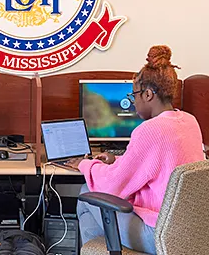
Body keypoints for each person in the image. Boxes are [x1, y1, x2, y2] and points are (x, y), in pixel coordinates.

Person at [66, 45, 204, 254]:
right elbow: (154, 165)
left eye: (134, 96)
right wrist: (117, 160)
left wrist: (86, 164)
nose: (132, 102)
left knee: (87, 191)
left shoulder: (150, 130)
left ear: (148, 94)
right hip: (190, 232)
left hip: (157, 234)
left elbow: (113, 186)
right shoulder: (189, 121)